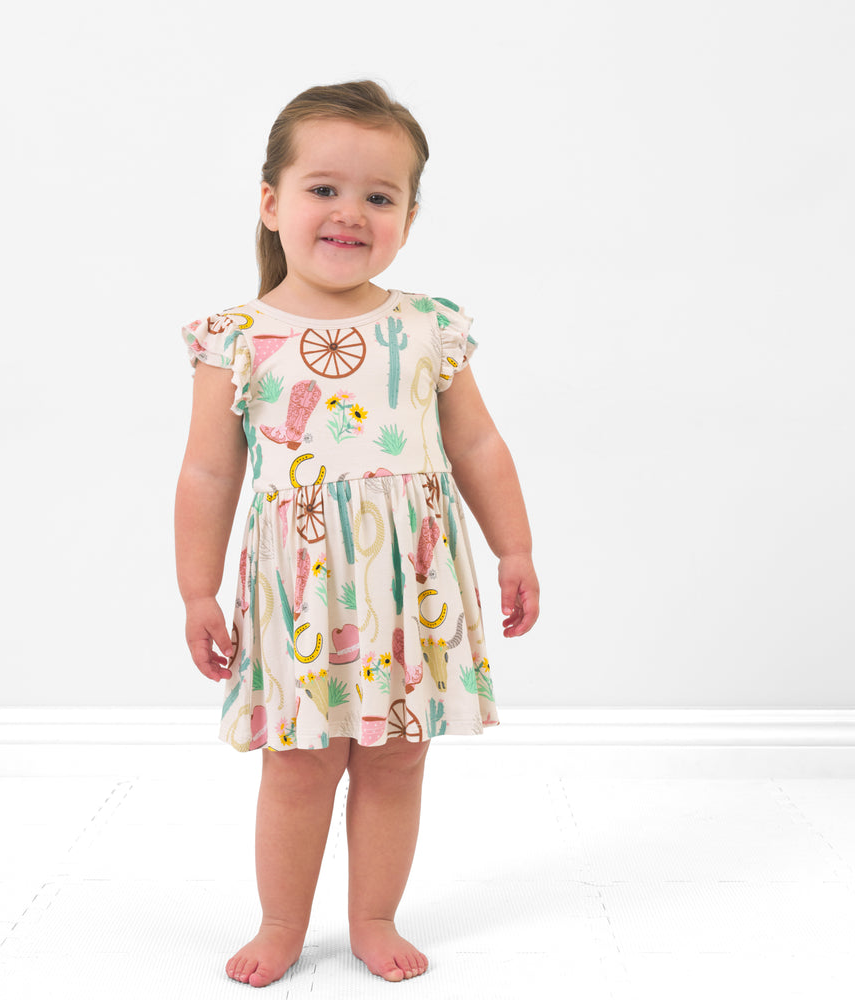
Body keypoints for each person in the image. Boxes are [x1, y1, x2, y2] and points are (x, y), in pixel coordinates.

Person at [174, 80, 539, 988]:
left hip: (407, 585)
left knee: (396, 756)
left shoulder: (425, 327)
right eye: (324, 188)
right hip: (300, 592)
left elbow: (480, 445)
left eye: (380, 196)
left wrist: (515, 548)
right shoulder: (236, 339)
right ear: (272, 203)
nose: (351, 212)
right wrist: (195, 589)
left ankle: (373, 913)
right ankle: (281, 921)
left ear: (410, 216)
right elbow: (209, 474)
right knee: (300, 766)